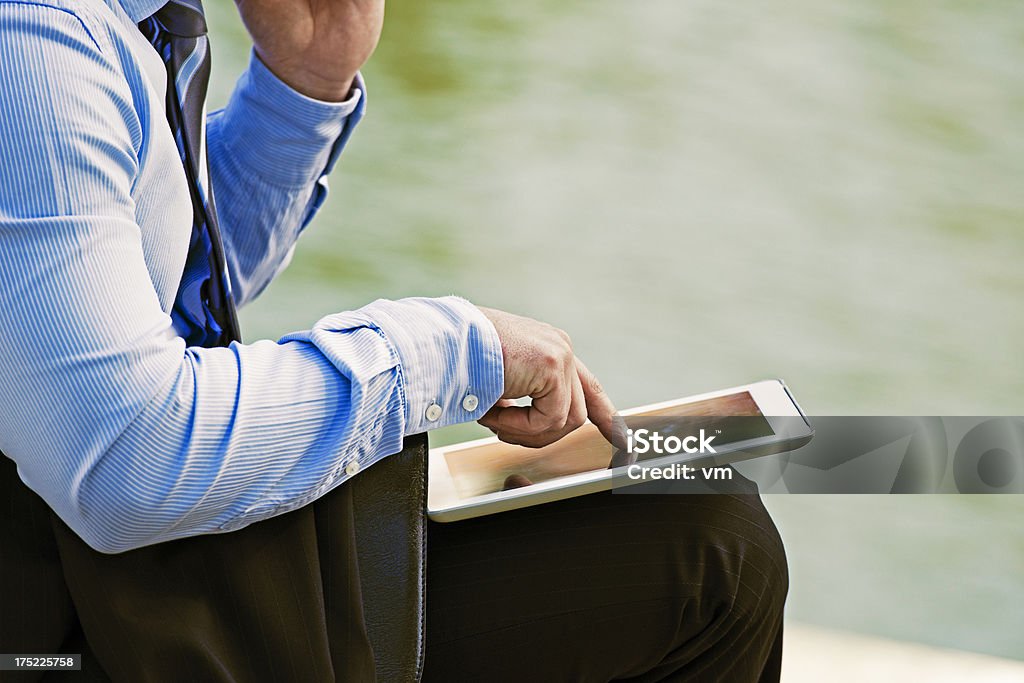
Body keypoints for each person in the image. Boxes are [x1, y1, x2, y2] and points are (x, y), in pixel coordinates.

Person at [0, 0, 788, 680]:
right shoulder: (34, 45)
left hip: (96, 562)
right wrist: (445, 351)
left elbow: (144, 303)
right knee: (711, 555)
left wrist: (299, 86)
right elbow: (125, 456)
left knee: (698, 514)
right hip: (52, 628)